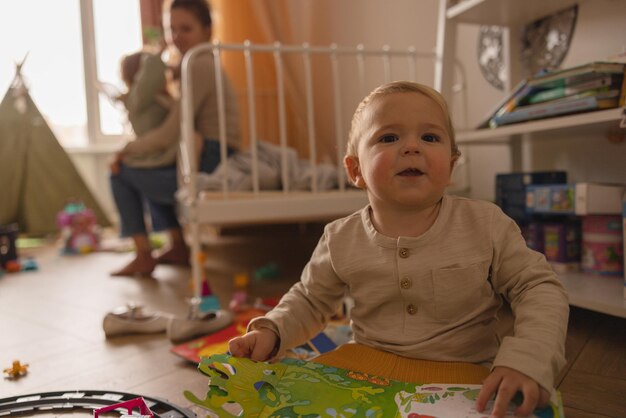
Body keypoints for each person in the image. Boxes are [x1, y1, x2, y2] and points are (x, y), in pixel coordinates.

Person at [228, 81, 569, 418]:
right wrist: (272, 331)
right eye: (389, 138)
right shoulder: (339, 237)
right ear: (355, 170)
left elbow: (538, 288)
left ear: (451, 165)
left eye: (430, 137)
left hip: (464, 376)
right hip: (363, 370)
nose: (412, 147)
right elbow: (309, 299)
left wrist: (527, 359)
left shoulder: (486, 223)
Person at [109, 0, 240, 276]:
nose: (177, 37)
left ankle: (144, 254)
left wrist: (126, 149)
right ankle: (178, 245)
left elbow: (172, 131)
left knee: (120, 173)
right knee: (147, 167)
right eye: (172, 29)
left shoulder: (199, 65)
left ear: (207, 30)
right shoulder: (196, 63)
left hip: (212, 157)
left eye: (186, 29)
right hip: (207, 152)